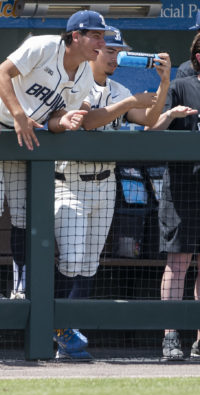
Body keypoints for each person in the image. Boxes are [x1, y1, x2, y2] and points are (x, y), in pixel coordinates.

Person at [0, 9, 105, 304]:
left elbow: (56, 116)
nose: (101, 42)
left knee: (22, 212)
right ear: (75, 36)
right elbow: (0, 74)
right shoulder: (43, 46)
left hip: (25, 136)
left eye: (103, 36)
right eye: (95, 35)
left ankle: (20, 287)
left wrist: (65, 122)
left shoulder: (84, 74)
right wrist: (19, 114)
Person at [52, 26, 170, 360]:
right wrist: (130, 102)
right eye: (110, 51)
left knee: (88, 265)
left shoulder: (118, 89)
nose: (114, 58)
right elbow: (88, 120)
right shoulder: (78, 84)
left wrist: (163, 85)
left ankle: (69, 332)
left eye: (119, 53)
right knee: (72, 259)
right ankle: (60, 328)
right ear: (96, 51)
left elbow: (148, 118)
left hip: (105, 182)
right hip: (71, 181)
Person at [148, 32, 200, 361]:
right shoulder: (181, 83)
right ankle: (170, 337)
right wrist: (171, 115)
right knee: (178, 264)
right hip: (182, 187)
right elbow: (151, 129)